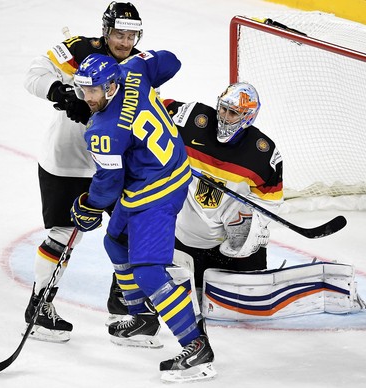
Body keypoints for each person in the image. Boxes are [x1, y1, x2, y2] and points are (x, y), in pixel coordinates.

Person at [69, 52, 217, 382]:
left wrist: (88, 205)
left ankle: (196, 348)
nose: (88, 98)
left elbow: (108, 185)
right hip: (167, 171)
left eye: (93, 91)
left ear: (110, 86)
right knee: (115, 242)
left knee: (149, 273)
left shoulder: (105, 131)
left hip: (157, 192)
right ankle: (144, 317)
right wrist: (142, 76)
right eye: (84, 91)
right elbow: (172, 61)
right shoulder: (132, 70)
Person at [22, 1, 142, 342]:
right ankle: (40, 307)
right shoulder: (79, 49)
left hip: (113, 164)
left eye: (132, 34)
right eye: (119, 33)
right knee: (62, 234)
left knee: (130, 230)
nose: (125, 41)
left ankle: (125, 303)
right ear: (106, 30)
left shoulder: (138, 64)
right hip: (67, 161)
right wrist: (62, 93)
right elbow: (34, 75)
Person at [165, 82, 283, 292]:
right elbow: (151, 109)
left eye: (233, 113)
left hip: (228, 243)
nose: (224, 116)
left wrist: (255, 223)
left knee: (247, 300)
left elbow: (270, 200)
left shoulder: (263, 154)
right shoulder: (190, 118)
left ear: (248, 117)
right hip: (181, 237)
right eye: (223, 108)